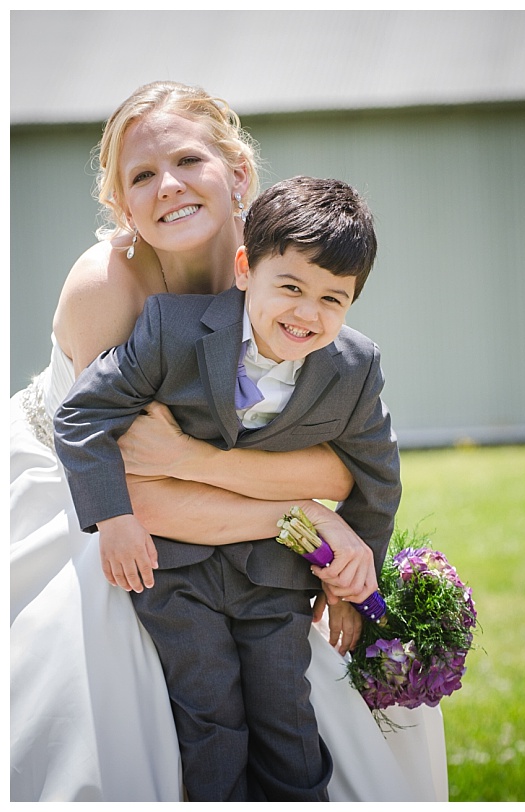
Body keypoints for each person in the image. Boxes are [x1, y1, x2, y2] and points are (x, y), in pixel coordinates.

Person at [10, 81, 445, 801]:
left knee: (292, 709)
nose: (168, 186)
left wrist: (338, 545)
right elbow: (136, 482)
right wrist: (308, 527)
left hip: (225, 524)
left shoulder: (291, 265)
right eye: (141, 176)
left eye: (187, 160)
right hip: (95, 494)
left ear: (238, 172)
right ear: (120, 205)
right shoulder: (110, 292)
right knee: (157, 688)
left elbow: (344, 467)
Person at [53, 175, 397, 801]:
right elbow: (80, 415)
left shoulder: (355, 368)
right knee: (211, 719)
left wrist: (349, 582)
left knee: (286, 718)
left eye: (331, 299)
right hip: (173, 571)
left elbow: (378, 478)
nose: (305, 313)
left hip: (274, 574)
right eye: (289, 287)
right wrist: (115, 519)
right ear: (245, 268)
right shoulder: (171, 331)